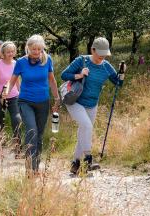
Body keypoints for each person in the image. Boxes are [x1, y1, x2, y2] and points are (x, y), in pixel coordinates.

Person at [61, 37, 126, 174]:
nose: (102, 57)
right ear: (93, 50)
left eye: (104, 54)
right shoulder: (82, 60)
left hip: (92, 104)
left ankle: (75, 164)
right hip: (75, 100)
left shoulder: (106, 66)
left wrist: (122, 73)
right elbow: (64, 75)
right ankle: (88, 160)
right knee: (87, 126)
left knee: (84, 130)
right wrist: (79, 75)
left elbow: (118, 83)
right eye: (99, 54)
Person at [4, 35, 60, 175]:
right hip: (25, 101)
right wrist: (6, 92)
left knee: (39, 136)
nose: (36, 52)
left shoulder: (47, 60)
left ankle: (35, 167)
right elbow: (12, 81)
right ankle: (29, 167)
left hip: (43, 102)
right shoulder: (21, 62)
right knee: (32, 131)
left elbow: (52, 81)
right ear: (27, 47)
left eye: (39, 49)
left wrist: (57, 98)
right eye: (33, 49)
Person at [0, 41, 22, 157]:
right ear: (3, 53)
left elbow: (17, 81)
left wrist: (21, 94)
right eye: (8, 52)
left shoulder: (16, 64)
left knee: (17, 120)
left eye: (12, 51)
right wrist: (0, 96)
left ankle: (18, 149)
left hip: (14, 97)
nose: (11, 53)